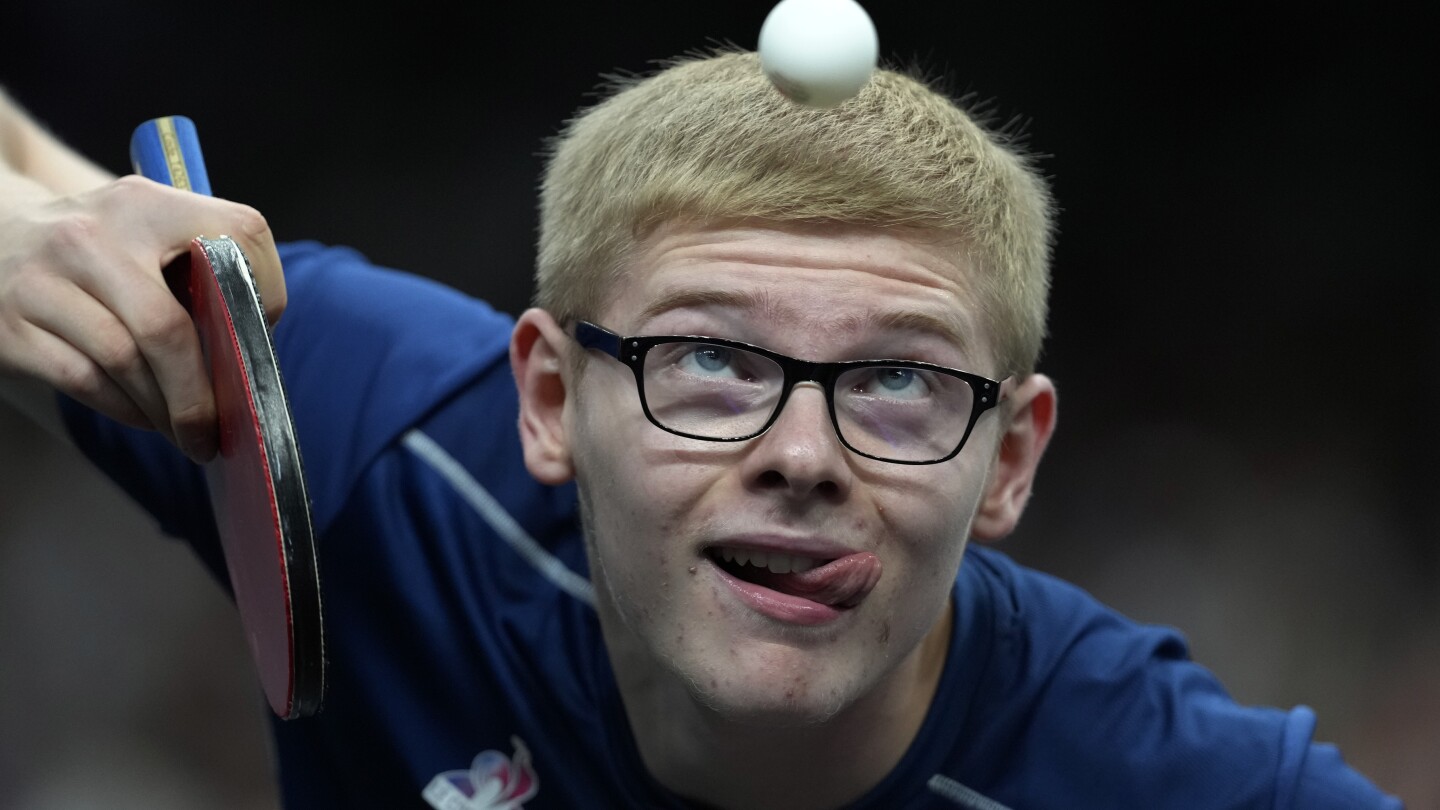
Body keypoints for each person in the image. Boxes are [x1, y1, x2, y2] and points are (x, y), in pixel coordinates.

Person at [0, 51, 1402, 809]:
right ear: (549, 398)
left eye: (900, 381)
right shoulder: (399, 441)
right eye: (715, 359)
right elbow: (44, 188)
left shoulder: (1176, 783)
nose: (803, 455)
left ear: (1011, 459)